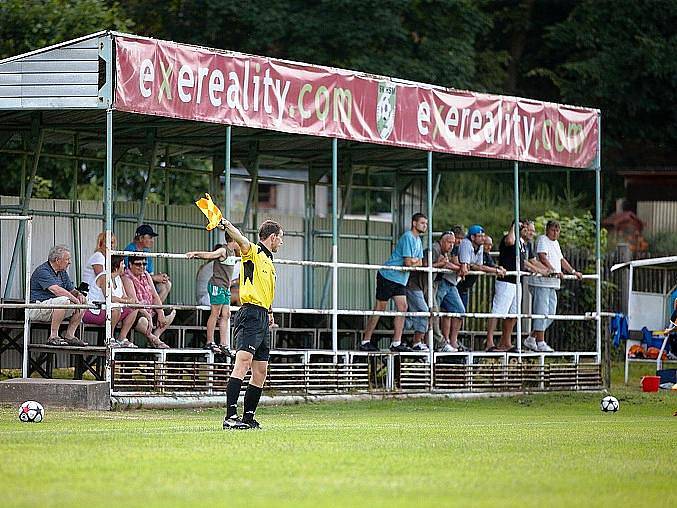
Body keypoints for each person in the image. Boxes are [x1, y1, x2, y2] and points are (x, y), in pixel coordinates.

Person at [220, 218, 284, 430]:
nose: (281, 243)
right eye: (280, 238)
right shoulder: (253, 251)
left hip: (263, 315)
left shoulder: (269, 261)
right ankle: (230, 417)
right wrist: (226, 225)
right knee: (243, 362)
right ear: (273, 237)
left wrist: (270, 311)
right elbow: (241, 240)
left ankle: (248, 417)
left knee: (261, 370)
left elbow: (266, 289)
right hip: (250, 314)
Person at [361, 213, 427, 352]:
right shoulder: (408, 236)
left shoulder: (419, 241)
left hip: (401, 279)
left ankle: (396, 343)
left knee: (403, 307)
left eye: (426, 224)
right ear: (414, 223)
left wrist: (414, 262)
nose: (424, 226)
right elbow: (408, 262)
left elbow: (421, 262)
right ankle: (365, 340)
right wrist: (414, 262)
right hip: (388, 275)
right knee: (380, 308)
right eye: (422, 223)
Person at [486, 220, 548, 352]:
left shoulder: (526, 245)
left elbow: (531, 261)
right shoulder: (511, 239)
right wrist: (513, 226)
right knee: (498, 311)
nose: (530, 232)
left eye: (531, 230)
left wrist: (549, 269)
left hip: (517, 282)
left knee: (513, 314)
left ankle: (505, 342)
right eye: (528, 229)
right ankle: (489, 342)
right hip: (506, 281)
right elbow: (510, 242)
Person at [526, 220, 582, 352]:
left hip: (553, 284)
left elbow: (561, 260)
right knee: (542, 312)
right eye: (553, 230)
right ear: (547, 230)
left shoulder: (556, 243)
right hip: (542, 282)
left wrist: (573, 271)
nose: (555, 232)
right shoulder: (542, 240)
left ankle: (531, 338)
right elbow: (542, 257)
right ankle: (540, 342)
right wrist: (553, 270)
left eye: (558, 230)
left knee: (551, 313)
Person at [186, 235, 239, 356]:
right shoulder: (223, 250)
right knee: (215, 313)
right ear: (234, 239)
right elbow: (209, 255)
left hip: (225, 288)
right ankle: (210, 341)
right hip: (217, 286)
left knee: (226, 314)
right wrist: (195, 253)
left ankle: (224, 344)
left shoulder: (233, 253)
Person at [28, 245, 87, 346]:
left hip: (53, 309)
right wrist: (74, 299)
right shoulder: (43, 271)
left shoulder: (62, 272)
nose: (69, 262)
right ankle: (53, 336)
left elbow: (72, 290)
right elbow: (57, 291)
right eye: (67, 259)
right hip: (37, 308)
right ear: (57, 260)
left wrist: (79, 295)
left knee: (84, 301)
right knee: (63, 300)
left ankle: (70, 336)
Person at [82, 255, 139, 347]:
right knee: (115, 307)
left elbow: (125, 297)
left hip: (109, 311)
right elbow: (110, 298)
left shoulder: (118, 278)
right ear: (116, 265)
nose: (124, 266)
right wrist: (125, 301)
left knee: (135, 307)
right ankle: (109, 338)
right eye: (122, 264)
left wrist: (129, 301)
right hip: (94, 311)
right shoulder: (104, 277)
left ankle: (122, 338)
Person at [122, 256, 176, 348]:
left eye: (144, 264)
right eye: (138, 264)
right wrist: (148, 316)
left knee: (171, 312)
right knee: (143, 320)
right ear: (130, 265)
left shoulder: (146, 275)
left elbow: (155, 296)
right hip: (137, 312)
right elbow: (134, 303)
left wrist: (160, 312)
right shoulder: (126, 277)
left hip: (149, 309)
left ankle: (155, 337)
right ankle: (154, 340)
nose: (142, 266)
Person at [124, 224, 172, 302]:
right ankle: (147, 311)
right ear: (140, 238)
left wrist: (160, 277)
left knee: (166, 284)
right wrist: (155, 278)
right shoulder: (129, 250)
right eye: (150, 237)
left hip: (145, 281)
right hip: (132, 284)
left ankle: (153, 310)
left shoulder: (147, 252)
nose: (152, 240)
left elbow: (149, 273)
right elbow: (129, 275)